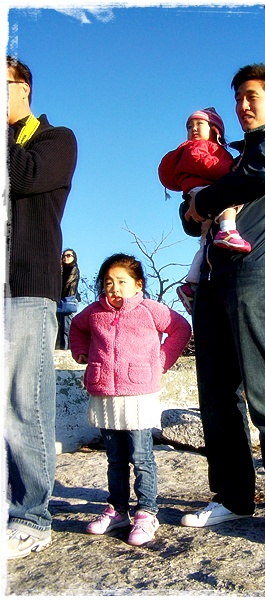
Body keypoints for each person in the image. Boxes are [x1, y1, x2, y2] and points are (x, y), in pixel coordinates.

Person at [179, 64, 265, 543]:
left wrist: (206, 200)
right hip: (213, 275)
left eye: (252, 96)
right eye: (238, 97)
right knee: (216, 393)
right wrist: (195, 204)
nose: (243, 105)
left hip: (259, 268)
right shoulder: (230, 154)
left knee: (264, 386)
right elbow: (189, 216)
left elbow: (264, 175)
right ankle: (233, 497)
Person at [4, 56, 78, 560]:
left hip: (28, 286)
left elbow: (22, 176)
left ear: (24, 88)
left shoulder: (54, 139)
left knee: (24, 403)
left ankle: (32, 517)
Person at [69, 253, 191, 545]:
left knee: (141, 458)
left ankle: (147, 513)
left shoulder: (150, 309)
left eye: (121, 281)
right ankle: (118, 511)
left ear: (138, 285)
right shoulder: (93, 312)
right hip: (105, 395)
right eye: (108, 282)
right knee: (115, 459)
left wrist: (161, 360)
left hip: (139, 394)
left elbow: (181, 328)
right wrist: (81, 351)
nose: (114, 288)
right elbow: (77, 328)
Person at [158, 107, 251, 314]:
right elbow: (203, 163)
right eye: (189, 126)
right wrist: (230, 171)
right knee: (230, 199)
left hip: (197, 192)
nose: (194, 129)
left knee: (204, 243)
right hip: (203, 190)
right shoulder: (198, 146)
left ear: (214, 129)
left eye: (200, 124)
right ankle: (228, 230)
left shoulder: (203, 147)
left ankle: (190, 285)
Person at [55, 248, 80, 350]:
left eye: (69, 255)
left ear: (74, 257)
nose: (66, 258)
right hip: (61, 300)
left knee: (67, 327)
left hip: (68, 299)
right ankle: (61, 347)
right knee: (59, 327)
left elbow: (66, 284)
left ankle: (68, 349)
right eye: (64, 256)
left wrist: (57, 293)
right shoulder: (62, 270)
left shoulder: (73, 269)